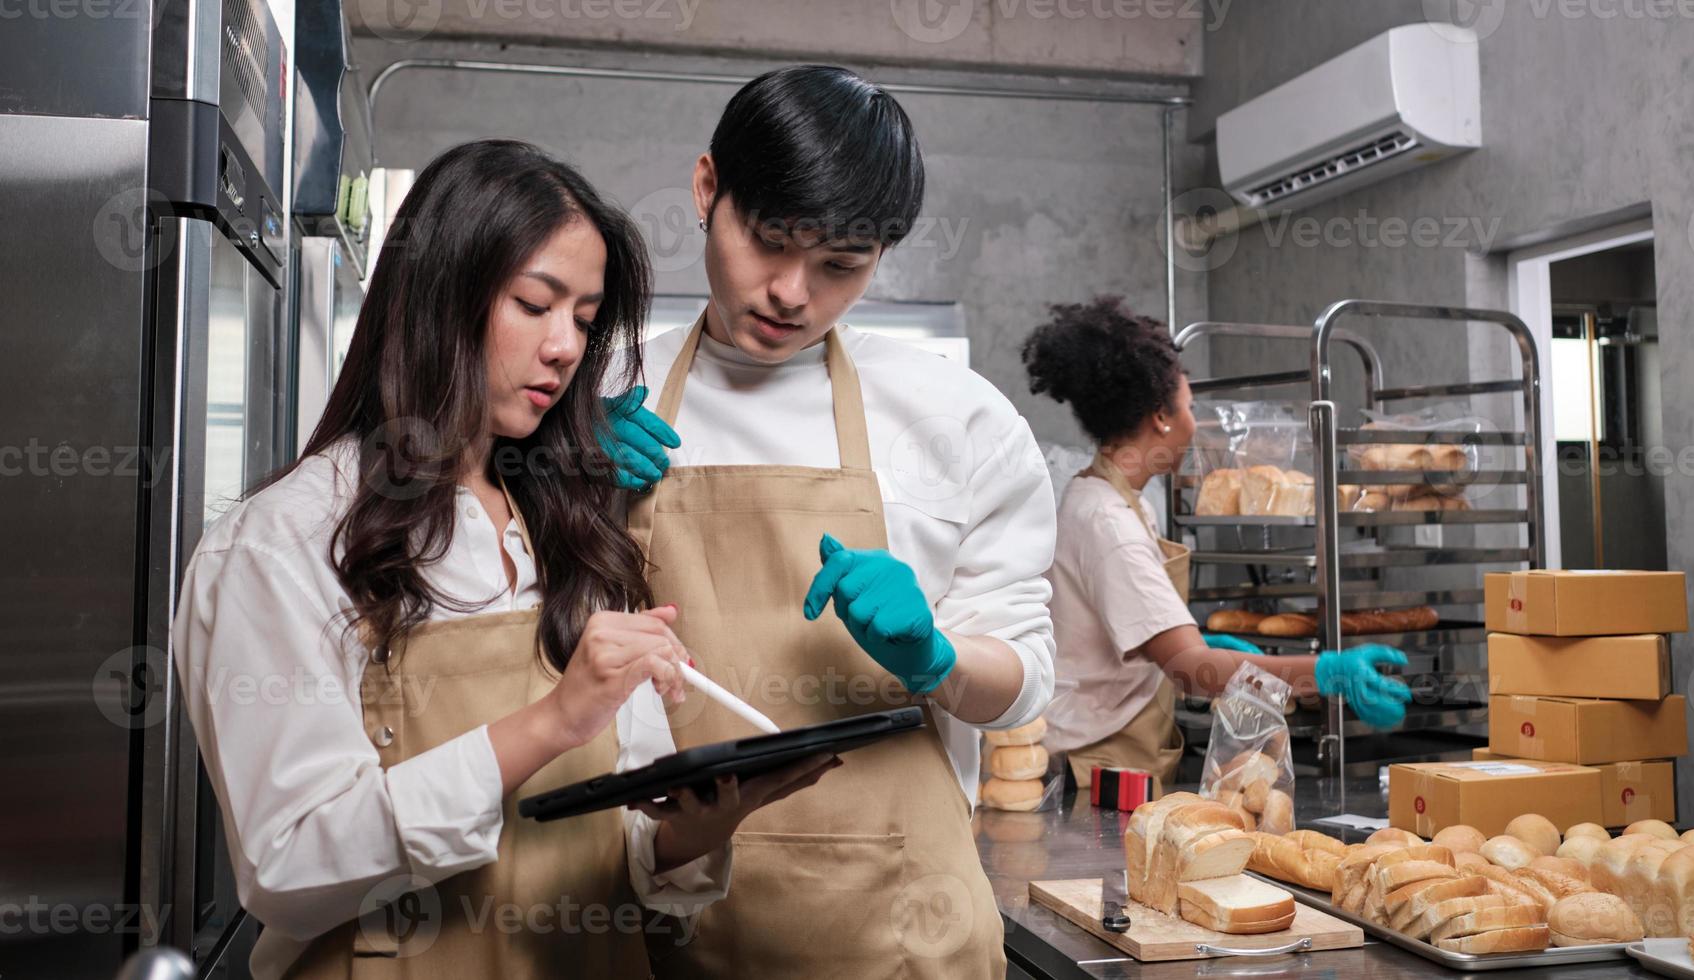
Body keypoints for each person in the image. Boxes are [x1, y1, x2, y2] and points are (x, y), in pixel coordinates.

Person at [172, 140, 835, 979]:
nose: (565, 348)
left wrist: (693, 832)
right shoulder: (284, 542)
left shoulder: (567, 530)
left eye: (586, 320)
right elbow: (292, 869)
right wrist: (554, 720)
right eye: (534, 304)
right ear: (438, 295)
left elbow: (618, 850)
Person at [599, 65, 1054, 978]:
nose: (791, 293)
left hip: (899, 931)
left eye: (840, 265)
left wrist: (938, 658)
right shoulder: (594, 386)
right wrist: (558, 484)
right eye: (767, 242)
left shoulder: (955, 417)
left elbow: (1024, 681)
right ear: (705, 190)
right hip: (661, 905)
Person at [1021, 296, 1412, 790]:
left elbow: (1143, 644)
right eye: (1189, 408)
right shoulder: (1107, 521)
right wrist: (1327, 672)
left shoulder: (1115, 504)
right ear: (1161, 416)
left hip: (1110, 750)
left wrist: (1199, 645)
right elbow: (1191, 671)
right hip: (1094, 765)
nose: (1193, 423)